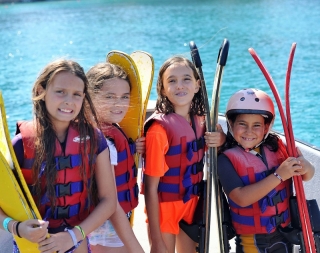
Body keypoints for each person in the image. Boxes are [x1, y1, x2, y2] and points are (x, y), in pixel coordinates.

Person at [0, 59, 117, 253]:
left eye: (76, 94)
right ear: (41, 91)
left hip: (76, 241)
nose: (69, 100)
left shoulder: (95, 140)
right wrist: (17, 228)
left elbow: (109, 201)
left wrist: (72, 236)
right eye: (60, 91)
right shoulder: (21, 145)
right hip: (33, 245)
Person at [142, 56, 226, 253]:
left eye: (186, 79)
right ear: (163, 89)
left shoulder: (203, 121)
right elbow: (150, 187)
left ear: (197, 85)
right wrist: (156, 240)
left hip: (192, 204)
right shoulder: (158, 130)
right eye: (172, 81)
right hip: (165, 208)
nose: (180, 85)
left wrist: (220, 139)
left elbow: (220, 143)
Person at [218, 88, 315, 253]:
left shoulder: (278, 148)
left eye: (256, 125)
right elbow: (241, 198)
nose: (249, 131)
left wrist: (306, 166)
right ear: (231, 124)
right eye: (242, 124)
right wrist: (279, 175)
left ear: (266, 128)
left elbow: (307, 175)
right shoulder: (225, 159)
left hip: (285, 234)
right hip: (253, 241)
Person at [86, 62, 145, 253]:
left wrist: (130, 148)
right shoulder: (105, 142)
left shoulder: (100, 129)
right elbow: (110, 202)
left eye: (124, 97)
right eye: (109, 97)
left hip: (104, 221)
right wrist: (136, 248)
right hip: (109, 223)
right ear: (90, 97)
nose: (118, 104)